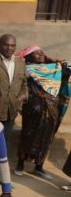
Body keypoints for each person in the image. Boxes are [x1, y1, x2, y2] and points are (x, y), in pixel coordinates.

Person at [16, 46, 70, 178]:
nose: (40, 55)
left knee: (47, 138)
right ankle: (20, 164)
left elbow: (67, 74)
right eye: (36, 53)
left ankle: (39, 167)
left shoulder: (53, 69)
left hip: (52, 109)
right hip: (32, 109)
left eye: (42, 53)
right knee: (27, 135)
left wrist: (59, 63)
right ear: (29, 56)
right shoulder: (25, 69)